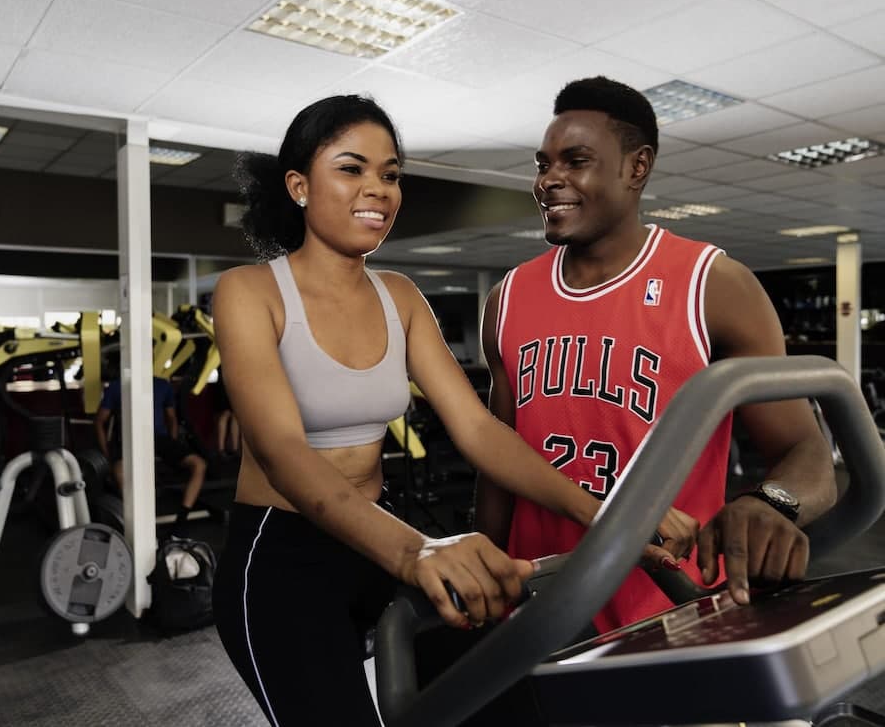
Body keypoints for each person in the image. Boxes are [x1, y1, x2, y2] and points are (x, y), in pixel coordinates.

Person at [210, 94, 697, 727]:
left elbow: (476, 429)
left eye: (390, 174)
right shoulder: (249, 292)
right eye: (352, 169)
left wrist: (604, 514)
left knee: (496, 691)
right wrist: (415, 552)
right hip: (283, 553)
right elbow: (283, 453)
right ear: (299, 186)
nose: (378, 189)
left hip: (377, 531)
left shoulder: (400, 296)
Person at [476, 76, 837, 634]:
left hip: (668, 607)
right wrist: (486, 579)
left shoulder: (713, 286)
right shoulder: (507, 298)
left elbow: (806, 451)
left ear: (636, 167)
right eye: (543, 164)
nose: (549, 180)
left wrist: (771, 502)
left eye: (576, 161)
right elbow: (496, 464)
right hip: (538, 600)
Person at [94, 375, 207, 529]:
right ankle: (138, 522)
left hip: (159, 438)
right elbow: (99, 421)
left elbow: (171, 418)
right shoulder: (116, 386)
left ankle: (181, 522)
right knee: (120, 473)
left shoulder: (162, 385)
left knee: (199, 465)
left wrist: (172, 444)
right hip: (130, 439)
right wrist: (106, 455)